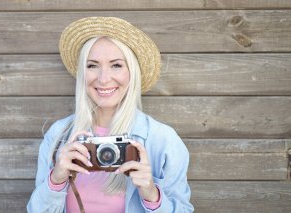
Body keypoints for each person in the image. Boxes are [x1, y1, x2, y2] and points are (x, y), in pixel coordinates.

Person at [27, 16, 194, 213]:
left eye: (116, 65)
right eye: (92, 65)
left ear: (132, 72)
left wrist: (151, 194)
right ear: (83, 72)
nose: (104, 79)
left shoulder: (163, 141)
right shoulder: (58, 136)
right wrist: (56, 180)